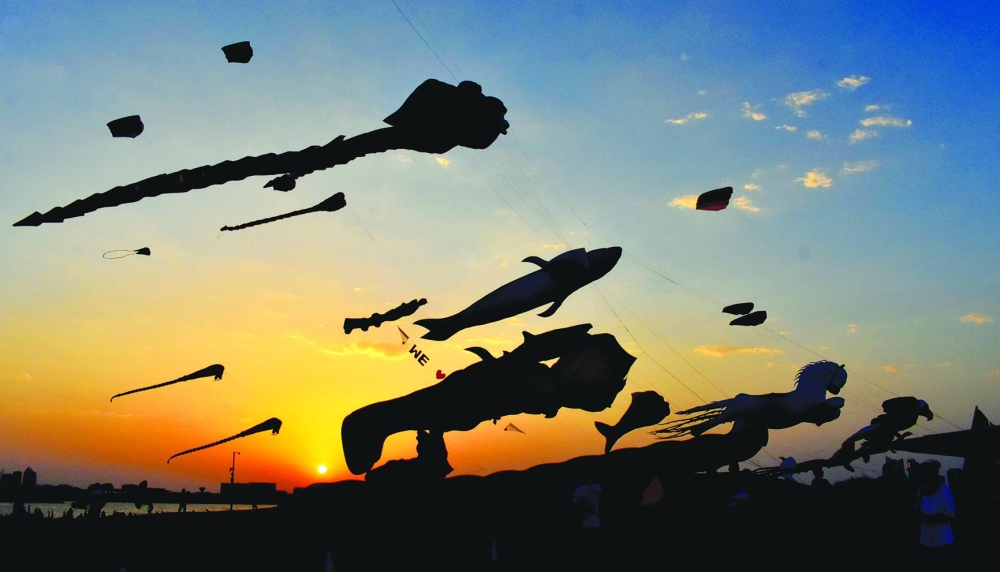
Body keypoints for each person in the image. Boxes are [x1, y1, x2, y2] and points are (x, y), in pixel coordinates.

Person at [916, 460, 955, 561]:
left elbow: (949, 515)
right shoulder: (922, 490)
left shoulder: (944, 491)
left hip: (942, 543)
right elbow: (918, 510)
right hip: (925, 541)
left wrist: (928, 519)